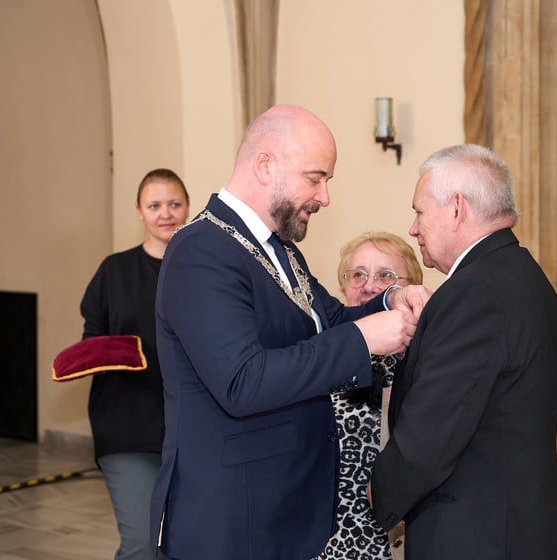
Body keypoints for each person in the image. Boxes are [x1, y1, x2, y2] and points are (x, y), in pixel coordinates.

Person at [149, 104, 430, 560]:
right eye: (315, 178)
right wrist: (365, 339)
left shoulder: (277, 248)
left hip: (279, 508)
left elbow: (330, 321)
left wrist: (389, 302)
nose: (324, 196)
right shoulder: (202, 250)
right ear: (265, 165)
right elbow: (243, 382)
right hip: (231, 519)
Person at [370, 144, 557, 559]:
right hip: (514, 526)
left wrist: (384, 492)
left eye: (420, 212)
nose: (413, 228)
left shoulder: (474, 293)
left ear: (456, 208)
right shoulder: (525, 277)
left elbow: (433, 432)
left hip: (474, 536)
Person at [80, 168, 190, 560]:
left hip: (194, 428)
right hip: (126, 426)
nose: (166, 213)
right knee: (143, 544)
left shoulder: (203, 270)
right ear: (139, 212)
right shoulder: (114, 271)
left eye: (174, 204)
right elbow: (91, 342)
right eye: (155, 205)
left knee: (187, 543)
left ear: (188, 208)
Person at [315, 232, 423, 560]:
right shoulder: (318, 354)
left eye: (386, 276)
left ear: (411, 289)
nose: (370, 285)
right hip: (319, 529)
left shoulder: (426, 359)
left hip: (394, 529)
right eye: (358, 274)